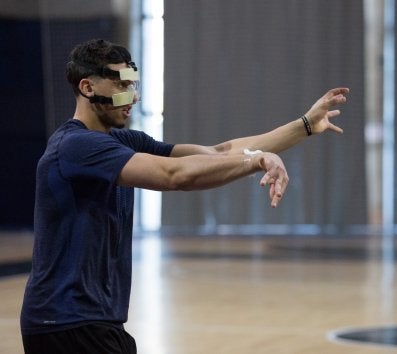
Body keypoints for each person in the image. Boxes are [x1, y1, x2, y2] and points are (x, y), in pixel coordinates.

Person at [19, 38, 349, 353]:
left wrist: (304, 125)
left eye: (133, 85)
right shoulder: (76, 146)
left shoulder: (122, 141)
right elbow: (175, 175)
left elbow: (217, 152)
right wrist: (256, 161)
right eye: (121, 86)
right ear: (88, 88)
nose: (132, 97)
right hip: (64, 323)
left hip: (92, 322)